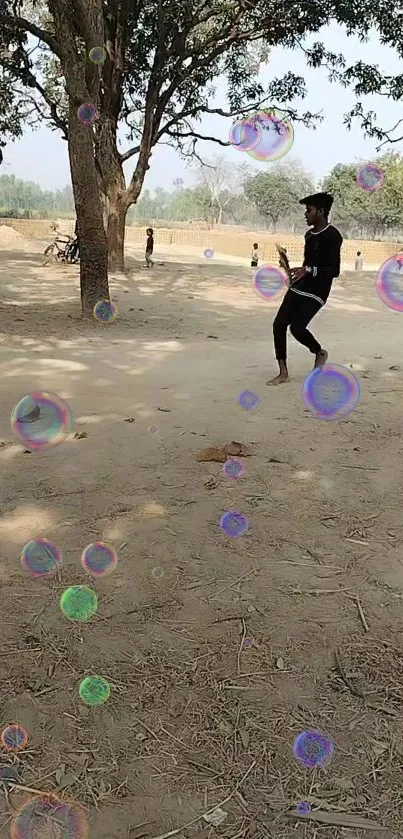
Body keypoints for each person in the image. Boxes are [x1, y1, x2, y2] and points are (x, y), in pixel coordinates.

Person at [267, 192, 343, 385]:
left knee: (297, 328)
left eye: (308, 210)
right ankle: (283, 373)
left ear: (321, 211)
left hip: (317, 292)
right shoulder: (309, 235)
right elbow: (307, 264)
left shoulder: (333, 236)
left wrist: (308, 270)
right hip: (300, 287)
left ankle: (319, 352)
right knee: (278, 325)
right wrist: (291, 271)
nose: (305, 214)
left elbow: (334, 270)